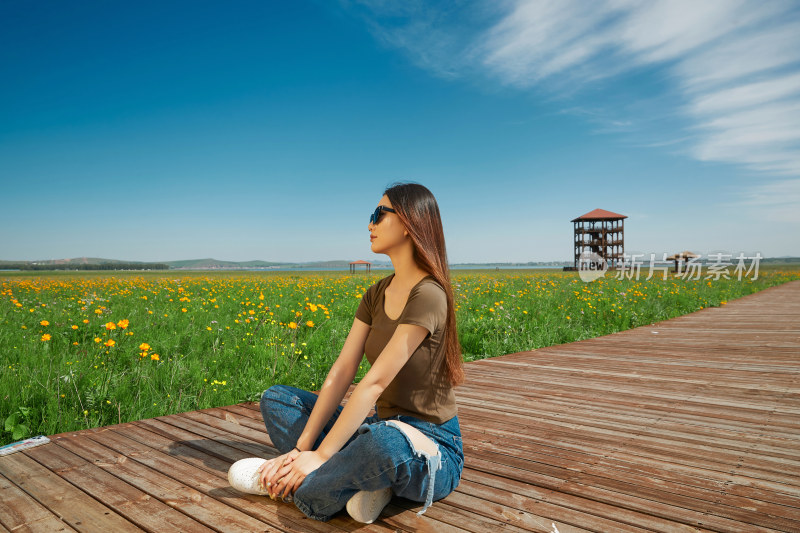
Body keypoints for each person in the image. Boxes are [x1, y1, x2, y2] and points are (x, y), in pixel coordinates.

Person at [227, 182, 465, 523]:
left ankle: (297, 488)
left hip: (429, 447)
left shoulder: (428, 294)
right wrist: (302, 447)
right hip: (377, 426)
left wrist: (322, 455)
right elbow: (342, 371)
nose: (370, 224)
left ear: (410, 223)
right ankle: (364, 484)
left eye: (379, 214)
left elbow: (374, 383)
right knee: (278, 400)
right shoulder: (375, 293)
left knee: (382, 444)